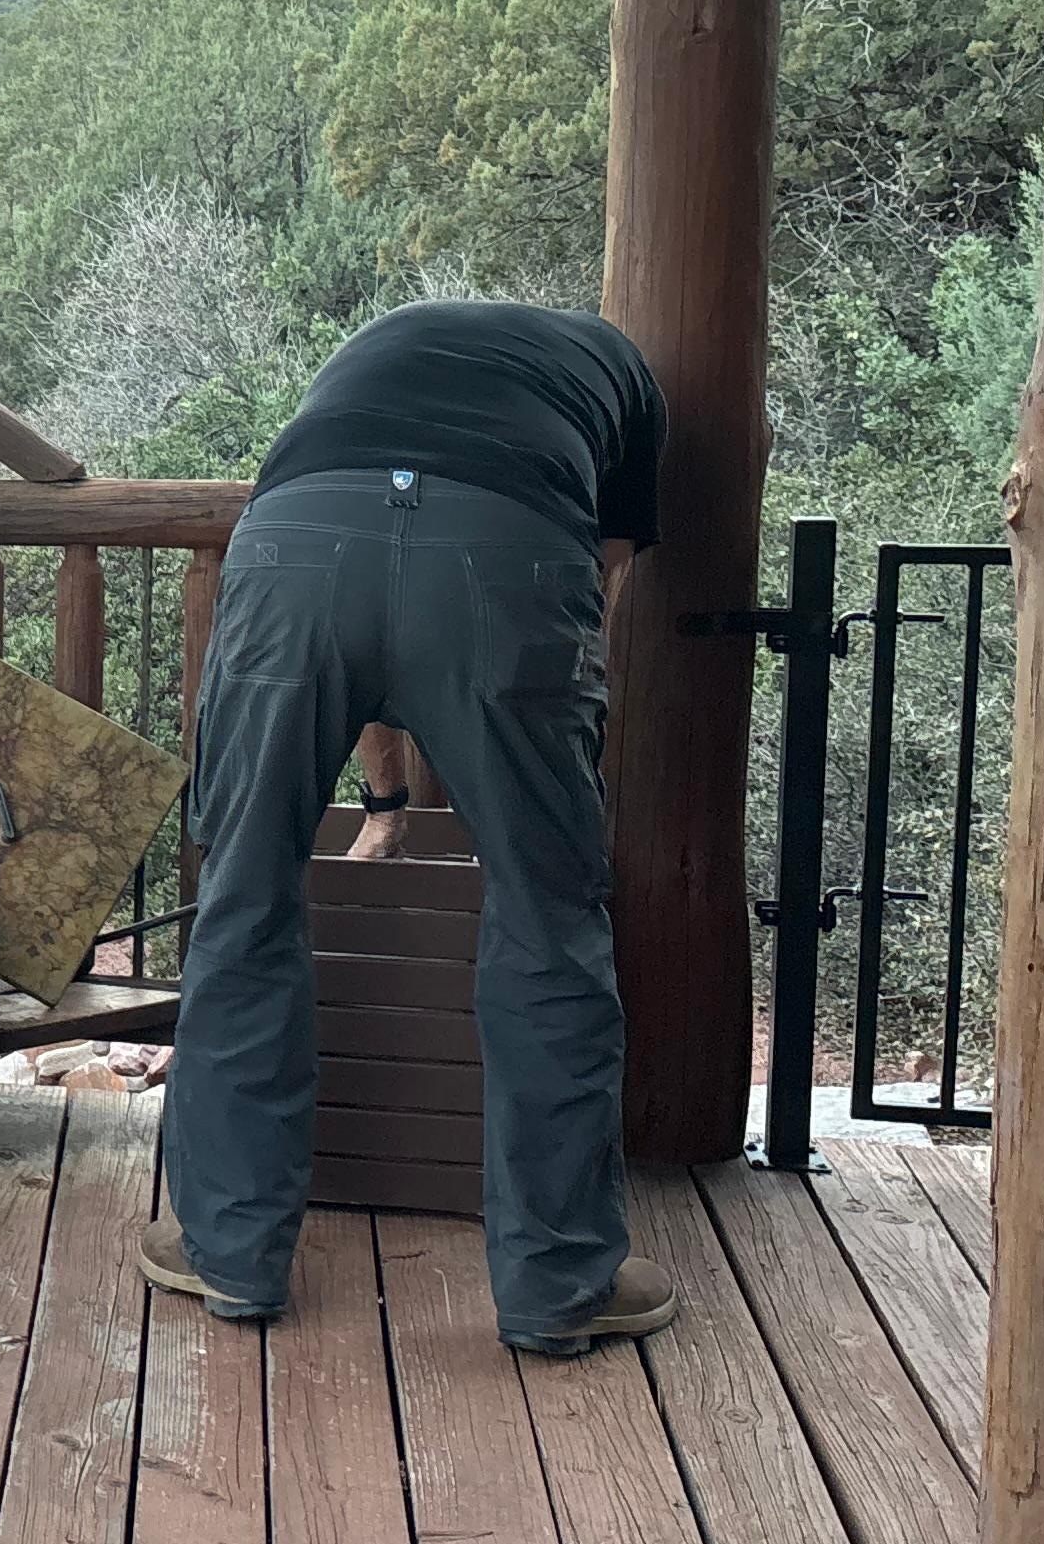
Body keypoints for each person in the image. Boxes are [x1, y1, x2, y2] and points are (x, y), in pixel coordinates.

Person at [148, 298, 680, 1355]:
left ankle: (231, 1256)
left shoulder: (378, 343)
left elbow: (370, 603)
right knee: (550, 921)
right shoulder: (625, 376)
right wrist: (508, 712)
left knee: (245, 893)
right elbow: (599, 580)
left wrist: (386, 797)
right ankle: (558, 1285)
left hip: (299, 543)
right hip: (507, 549)